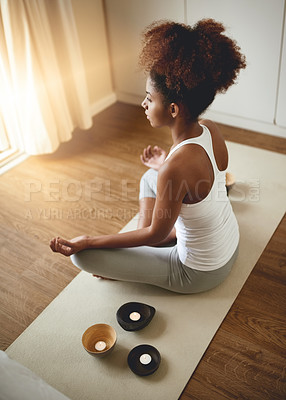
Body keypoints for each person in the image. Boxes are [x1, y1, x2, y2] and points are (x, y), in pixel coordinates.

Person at [50, 19, 246, 294]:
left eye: (149, 98)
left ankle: (151, 247)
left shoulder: (174, 170)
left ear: (174, 109)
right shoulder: (210, 129)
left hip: (199, 273)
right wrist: (166, 165)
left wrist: (89, 240)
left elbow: (156, 227)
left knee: (81, 255)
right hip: (230, 242)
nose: (144, 104)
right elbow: (207, 180)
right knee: (150, 176)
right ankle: (160, 241)